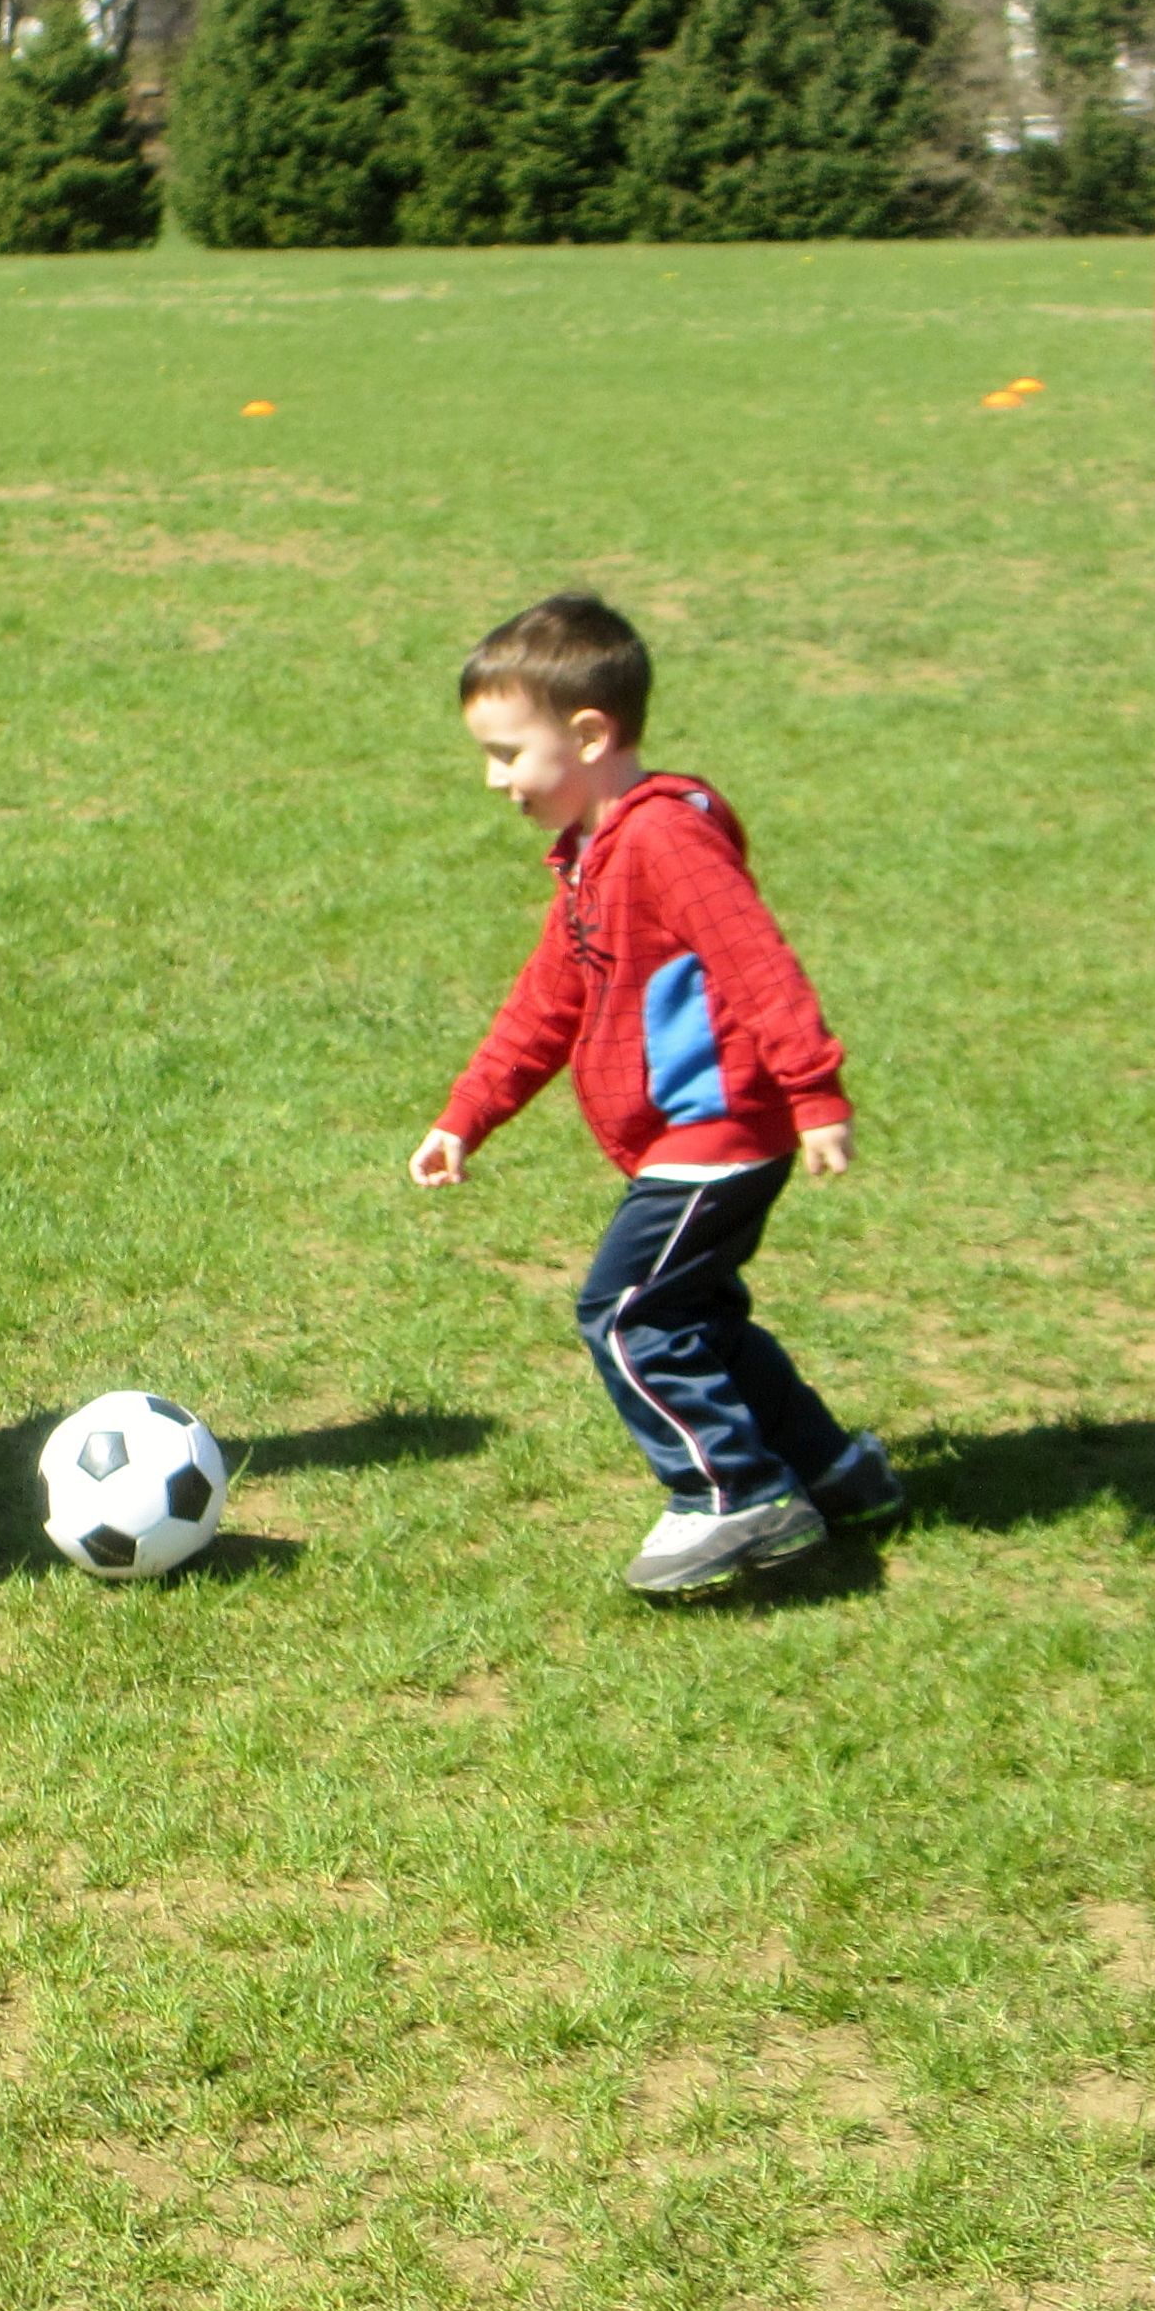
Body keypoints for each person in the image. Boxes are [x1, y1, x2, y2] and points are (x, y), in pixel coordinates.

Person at [408, 593, 904, 1597]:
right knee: (698, 1319)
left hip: (717, 1133)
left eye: (507, 754)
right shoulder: (593, 857)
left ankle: (730, 1492)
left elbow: (755, 959)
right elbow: (544, 1005)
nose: (494, 779)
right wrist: (466, 1115)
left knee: (626, 1313)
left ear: (589, 735)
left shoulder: (665, 841)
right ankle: (832, 1470)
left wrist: (814, 1091)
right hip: (693, 1137)